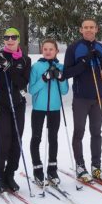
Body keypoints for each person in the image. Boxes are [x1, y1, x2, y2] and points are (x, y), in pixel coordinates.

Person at [0, 27, 31, 192]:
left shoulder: (25, 60)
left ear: (18, 38)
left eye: (13, 37)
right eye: (6, 37)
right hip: (0, 104)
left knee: (16, 141)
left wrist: (8, 68)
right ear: (3, 39)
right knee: (3, 140)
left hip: (18, 104)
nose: (10, 40)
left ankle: (10, 174)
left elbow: (22, 84)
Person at [63, 18, 102, 183]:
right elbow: (67, 73)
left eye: (92, 27)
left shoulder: (101, 47)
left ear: (96, 29)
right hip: (80, 98)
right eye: (86, 27)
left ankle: (96, 167)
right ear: (80, 30)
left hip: (97, 97)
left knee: (96, 132)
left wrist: (101, 59)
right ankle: (80, 166)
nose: (89, 30)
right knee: (79, 132)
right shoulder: (74, 48)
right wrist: (84, 62)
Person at [28, 39, 69, 186]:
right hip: (38, 108)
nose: (48, 51)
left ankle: (52, 169)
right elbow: (31, 90)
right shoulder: (36, 67)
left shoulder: (61, 66)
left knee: (53, 138)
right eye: (45, 49)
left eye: (51, 49)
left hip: (55, 109)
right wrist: (44, 78)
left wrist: (60, 77)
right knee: (36, 137)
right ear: (42, 50)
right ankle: (37, 169)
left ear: (56, 51)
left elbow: (64, 91)